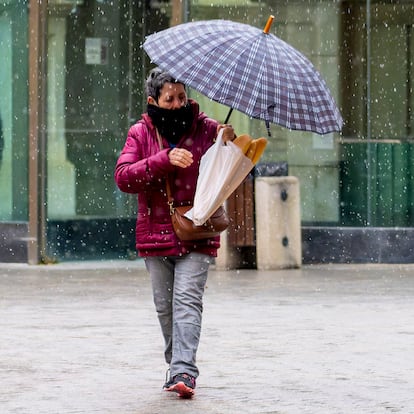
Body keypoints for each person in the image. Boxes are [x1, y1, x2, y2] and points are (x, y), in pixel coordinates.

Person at [114, 67, 235, 399]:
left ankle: (184, 370)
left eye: (182, 97)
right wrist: (164, 159)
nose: (178, 103)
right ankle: (176, 365)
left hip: (198, 229)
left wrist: (228, 142)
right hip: (155, 233)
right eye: (170, 99)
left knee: (186, 301)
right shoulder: (140, 133)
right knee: (165, 306)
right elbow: (124, 177)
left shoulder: (206, 128)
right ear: (154, 100)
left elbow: (229, 164)